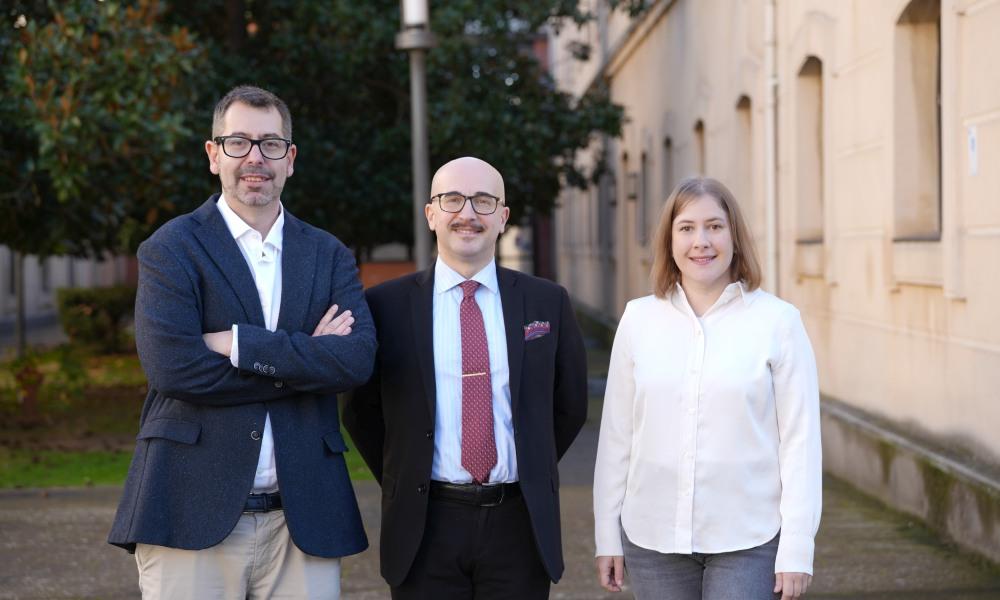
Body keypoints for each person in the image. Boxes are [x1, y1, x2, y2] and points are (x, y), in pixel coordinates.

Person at [108, 85, 375, 599]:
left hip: (304, 520)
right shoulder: (171, 248)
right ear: (214, 155)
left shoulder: (328, 254)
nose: (255, 157)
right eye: (238, 143)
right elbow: (174, 369)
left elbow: (355, 360)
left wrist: (239, 344)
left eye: (271, 144)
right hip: (188, 509)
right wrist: (305, 361)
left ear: (290, 159)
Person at [343, 156, 588, 599]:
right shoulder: (384, 307)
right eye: (453, 199)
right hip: (424, 525)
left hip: (519, 524)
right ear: (431, 213)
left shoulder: (546, 302)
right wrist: (407, 473)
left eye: (483, 201)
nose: (468, 213)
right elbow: (361, 410)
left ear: (503, 217)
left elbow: (568, 406)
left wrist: (530, 464)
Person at [593, 176, 822, 600]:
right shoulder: (638, 320)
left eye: (715, 226)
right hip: (652, 537)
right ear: (670, 240)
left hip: (749, 539)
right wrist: (606, 534)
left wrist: (797, 545)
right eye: (687, 228)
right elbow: (616, 438)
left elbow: (800, 442)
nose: (702, 241)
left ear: (734, 236)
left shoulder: (778, 322)